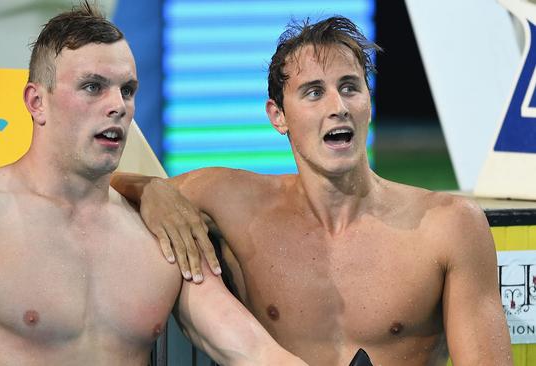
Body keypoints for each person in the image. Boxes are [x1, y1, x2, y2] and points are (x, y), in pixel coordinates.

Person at [0, 3, 307, 365]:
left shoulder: (158, 233)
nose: (117, 106)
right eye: (93, 87)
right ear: (37, 102)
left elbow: (251, 351)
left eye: (128, 90)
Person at [111, 16, 513, 365]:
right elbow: (90, 183)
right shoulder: (230, 200)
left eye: (351, 87)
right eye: (314, 92)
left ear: (369, 101)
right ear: (278, 116)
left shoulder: (448, 226)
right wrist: (149, 190)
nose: (337, 105)